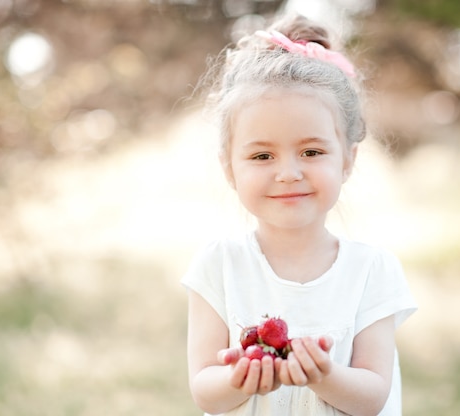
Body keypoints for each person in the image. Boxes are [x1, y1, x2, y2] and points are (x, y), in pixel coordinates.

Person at [181, 13, 417, 416]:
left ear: (347, 159)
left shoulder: (372, 270)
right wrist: (238, 377)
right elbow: (204, 387)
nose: (288, 173)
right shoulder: (219, 264)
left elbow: (374, 393)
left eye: (311, 152)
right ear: (228, 168)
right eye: (261, 155)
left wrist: (324, 375)